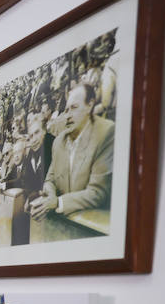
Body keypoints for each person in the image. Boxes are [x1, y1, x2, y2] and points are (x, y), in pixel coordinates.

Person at [31, 81, 116, 222]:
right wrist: (50, 194)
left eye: (74, 108)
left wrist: (57, 203)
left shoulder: (106, 133)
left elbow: (98, 193)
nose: (68, 115)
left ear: (90, 105)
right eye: (66, 110)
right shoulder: (58, 141)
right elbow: (50, 180)